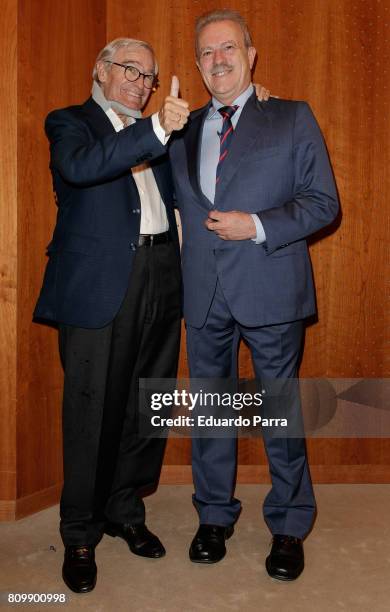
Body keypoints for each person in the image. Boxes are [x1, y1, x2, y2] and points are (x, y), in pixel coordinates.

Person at [169, 9, 339, 580]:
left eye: (228, 49)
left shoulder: (291, 117)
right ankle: (213, 516)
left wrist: (258, 225)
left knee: (279, 414)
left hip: (270, 287)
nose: (218, 60)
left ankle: (289, 524)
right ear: (197, 65)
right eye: (207, 53)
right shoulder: (183, 129)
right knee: (211, 413)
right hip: (204, 294)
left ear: (251, 54)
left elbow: (323, 204)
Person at [33, 37, 190, 593]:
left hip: (161, 276)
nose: (141, 83)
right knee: (91, 409)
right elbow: (81, 169)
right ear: (100, 70)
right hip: (100, 286)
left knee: (149, 400)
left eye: (148, 76)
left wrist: (256, 98)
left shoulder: (163, 133)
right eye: (131, 70)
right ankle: (79, 531)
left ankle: (126, 509)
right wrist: (154, 130)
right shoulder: (70, 122)